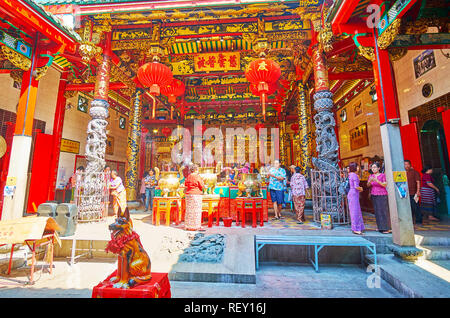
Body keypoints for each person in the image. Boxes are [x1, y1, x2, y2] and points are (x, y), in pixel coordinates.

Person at [367, 162, 391, 234]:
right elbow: (368, 185)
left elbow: (384, 184)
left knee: (383, 211)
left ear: (379, 168)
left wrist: (377, 180)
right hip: (374, 194)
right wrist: (370, 181)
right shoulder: (371, 176)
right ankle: (380, 227)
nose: (373, 169)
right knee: (377, 211)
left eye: (375, 167)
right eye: (372, 167)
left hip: (382, 194)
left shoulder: (382, 175)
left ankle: (386, 228)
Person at [184, 164, 205, 231]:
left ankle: (188, 226)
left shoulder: (189, 176)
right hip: (196, 194)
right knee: (196, 211)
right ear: (196, 170)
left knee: (189, 211)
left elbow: (186, 185)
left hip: (189, 195)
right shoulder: (197, 176)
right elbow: (201, 185)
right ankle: (196, 226)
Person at [347, 162, 365, 235]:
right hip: (354, 193)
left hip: (351, 193)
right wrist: (361, 188)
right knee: (355, 211)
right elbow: (356, 186)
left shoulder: (350, 175)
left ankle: (358, 227)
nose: (358, 168)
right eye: (357, 167)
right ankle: (356, 228)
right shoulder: (354, 175)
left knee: (354, 210)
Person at [404, 159, 422, 224]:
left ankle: (419, 221)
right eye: (405, 164)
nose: (406, 166)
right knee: (407, 208)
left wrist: (418, 191)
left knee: (415, 207)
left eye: (407, 164)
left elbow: (418, 182)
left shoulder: (415, 172)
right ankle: (409, 221)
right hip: (404, 193)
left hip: (413, 193)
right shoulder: (401, 173)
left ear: (410, 165)